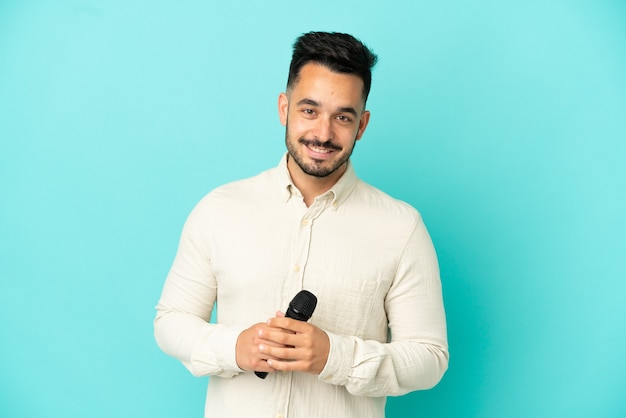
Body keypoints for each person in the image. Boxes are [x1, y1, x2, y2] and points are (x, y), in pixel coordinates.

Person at [154, 31, 449, 418]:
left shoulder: (402, 228)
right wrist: (234, 347)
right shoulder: (219, 210)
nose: (323, 134)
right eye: (309, 110)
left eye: (342, 117)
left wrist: (334, 356)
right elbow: (171, 322)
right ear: (284, 108)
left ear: (362, 125)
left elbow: (430, 358)